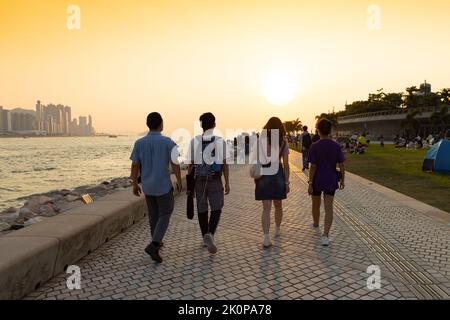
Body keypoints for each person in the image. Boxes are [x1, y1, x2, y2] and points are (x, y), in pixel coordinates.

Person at [130, 112, 182, 263]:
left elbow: (135, 165)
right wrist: (179, 181)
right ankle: (154, 245)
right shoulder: (168, 142)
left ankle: (157, 243)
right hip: (163, 186)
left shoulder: (139, 143)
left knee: (154, 216)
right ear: (161, 124)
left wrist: (134, 183)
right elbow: (175, 164)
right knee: (165, 213)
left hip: (147, 185)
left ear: (148, 125)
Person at [187, 112, 230, 254]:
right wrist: (227, 182)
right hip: (215, 179)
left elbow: (191, 165)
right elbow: (224, 164)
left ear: (201, 125)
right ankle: (210, 234)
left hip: (199, 179)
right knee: (217, 208)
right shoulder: (220, 141)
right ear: (214, 124)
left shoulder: (194, 141)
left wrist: (190, 186)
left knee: (202, 209)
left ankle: (205, 236)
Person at [252, 117, 290, 248]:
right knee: (278, 206)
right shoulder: (283, 142)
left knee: (266, 208)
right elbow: (286, 165)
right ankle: (277, 229)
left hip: (263, 174)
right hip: (277, 174)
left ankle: (266, 237)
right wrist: (287, 182)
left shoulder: (260, 141)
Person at [308, 118, 345, 247]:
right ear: (330, 131)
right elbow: (341, 164)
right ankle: (325, 235)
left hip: (317, 179)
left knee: (315, 204)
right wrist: (343, 180)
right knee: (329, 207)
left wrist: (310, 183)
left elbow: (313, 166)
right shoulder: (335, 146)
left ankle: (316, 223)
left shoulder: (314, 146)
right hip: (331, 179)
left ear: (318, 130)